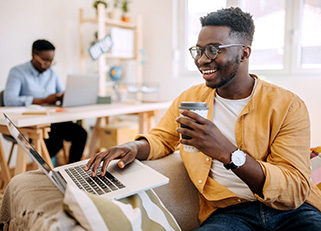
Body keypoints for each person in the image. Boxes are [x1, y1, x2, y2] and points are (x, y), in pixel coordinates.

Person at [85, 7, 321, 230]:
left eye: (214, 50)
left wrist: (229, 154)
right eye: (198, 50)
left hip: (294, 211)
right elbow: (163, 138)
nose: (201, 60)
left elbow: (294, 189)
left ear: (244, 52)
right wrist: (133, 146)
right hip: (231, 211)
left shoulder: (288, 105)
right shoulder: (190, 98)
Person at [4, 39, 87, 164]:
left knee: (80, 134)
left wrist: (65, 96)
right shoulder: (17, 72)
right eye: (45, 60)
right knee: (55, 141)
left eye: (51, 61)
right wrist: (43, 100)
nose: (48, 64)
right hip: (30, 122)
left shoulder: (52, 73)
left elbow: (62, 92)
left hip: (52, 119)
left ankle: (71, 170)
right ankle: (42, 172)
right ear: (33, 56)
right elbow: (9, 100)